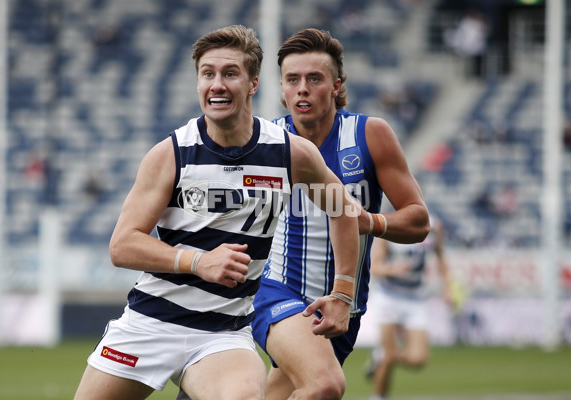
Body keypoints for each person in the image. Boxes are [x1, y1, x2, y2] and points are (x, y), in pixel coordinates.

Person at [73, 25, 360, 400]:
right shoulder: (171, 154)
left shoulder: (290, 153)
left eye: (230, 74)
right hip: (150, 325)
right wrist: (197, 261)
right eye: (207, 74)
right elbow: (122, 246)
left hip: (223, 335)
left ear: (253, 83)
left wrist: (343, 292)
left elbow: (343, 211)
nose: (217, 84)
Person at [251, 28, 430, 400]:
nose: (302, 88)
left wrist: (370, 222)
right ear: (281, 88)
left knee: (279, 394)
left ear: (336, 85)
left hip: (344, 306)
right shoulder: (266, 142)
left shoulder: (370, 136)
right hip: (278, 291)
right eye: (292, 79)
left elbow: (418, 221)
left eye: (314, 79)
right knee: (325, 386)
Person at [365, 214, 452, 400]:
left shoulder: (434, 226)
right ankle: (378, 396)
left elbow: (441, 258)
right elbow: (374, 266)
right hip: (389, 296)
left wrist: (447, 288)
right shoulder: (389, 223)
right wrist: (393, 268)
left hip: (415, 298)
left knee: (418, 359)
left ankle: (380, 357)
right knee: (387, 356)